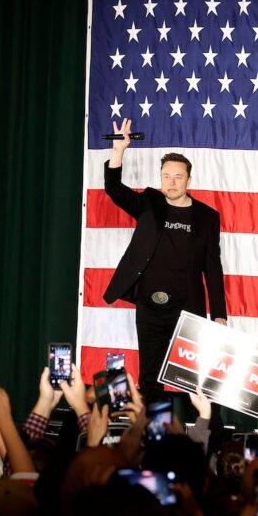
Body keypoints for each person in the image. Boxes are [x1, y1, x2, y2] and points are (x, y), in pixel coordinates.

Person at [103, 118, 227, 402]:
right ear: (160, 177)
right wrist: (118, 151)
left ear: (189, 180)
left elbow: (213, 267)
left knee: (196, 379)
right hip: (150, 308)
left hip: (187, 310)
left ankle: (208, 438)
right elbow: (114, 190)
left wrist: (219, 313)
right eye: (166, 176)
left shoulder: (207, 217)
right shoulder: (149, 204)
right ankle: (152, 440)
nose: (171, 182)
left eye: (178, 177)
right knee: (150, 380)